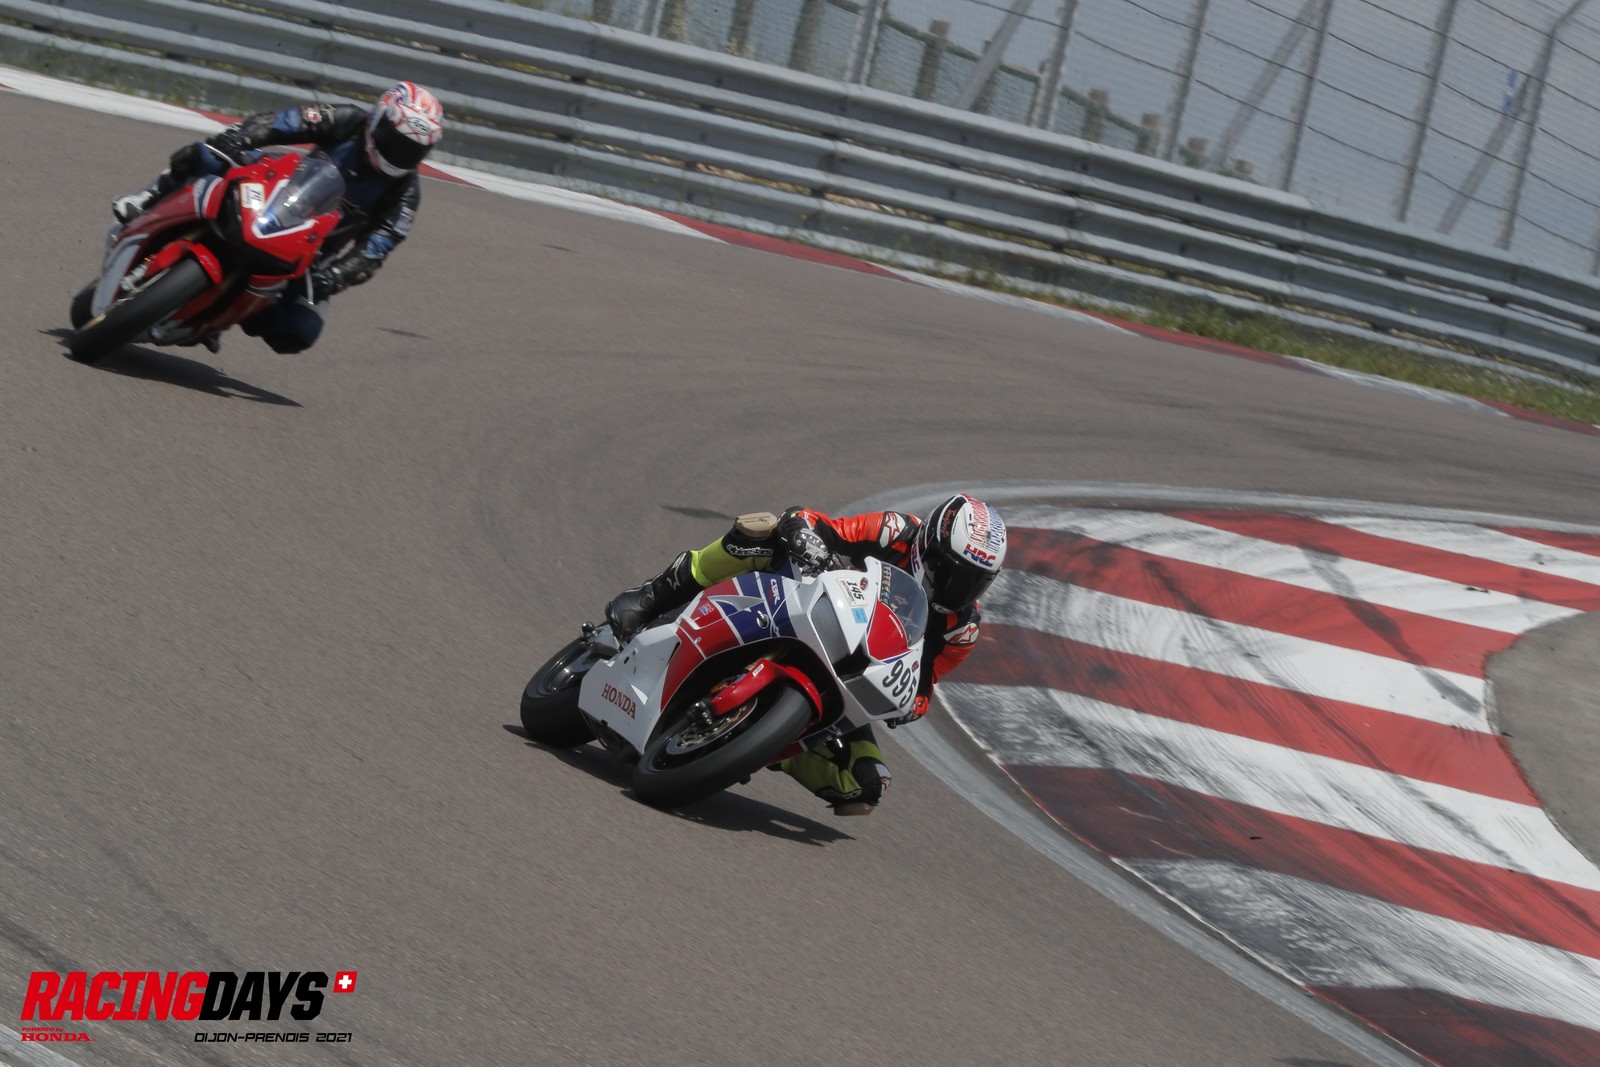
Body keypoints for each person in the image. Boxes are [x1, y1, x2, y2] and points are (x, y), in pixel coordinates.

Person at [606, 495, 1008, 816]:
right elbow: (815, 521)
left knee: (866, 782)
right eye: (949, 571)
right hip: (809, 605)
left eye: (974, 581)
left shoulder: (960, 630)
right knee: (761, 532)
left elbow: (924, 685)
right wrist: (804, 534)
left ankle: (759, 743)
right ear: (927, 546)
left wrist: (910, 705)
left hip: (846, 674)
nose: (957, 588)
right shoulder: (894, 531)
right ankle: (654, 595)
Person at [110, 81, 445, 355]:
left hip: (312, 251)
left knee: (297, 332)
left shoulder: (405, 196)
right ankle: (147, 199)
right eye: (394, 141)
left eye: (411, 151)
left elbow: (375, 250)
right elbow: (284, 123)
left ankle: (221, 316)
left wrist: (335, 277)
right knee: (206, 155)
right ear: (378, 119)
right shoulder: (346, 119)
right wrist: (240, 137)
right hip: (275, 190)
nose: (398, 154)